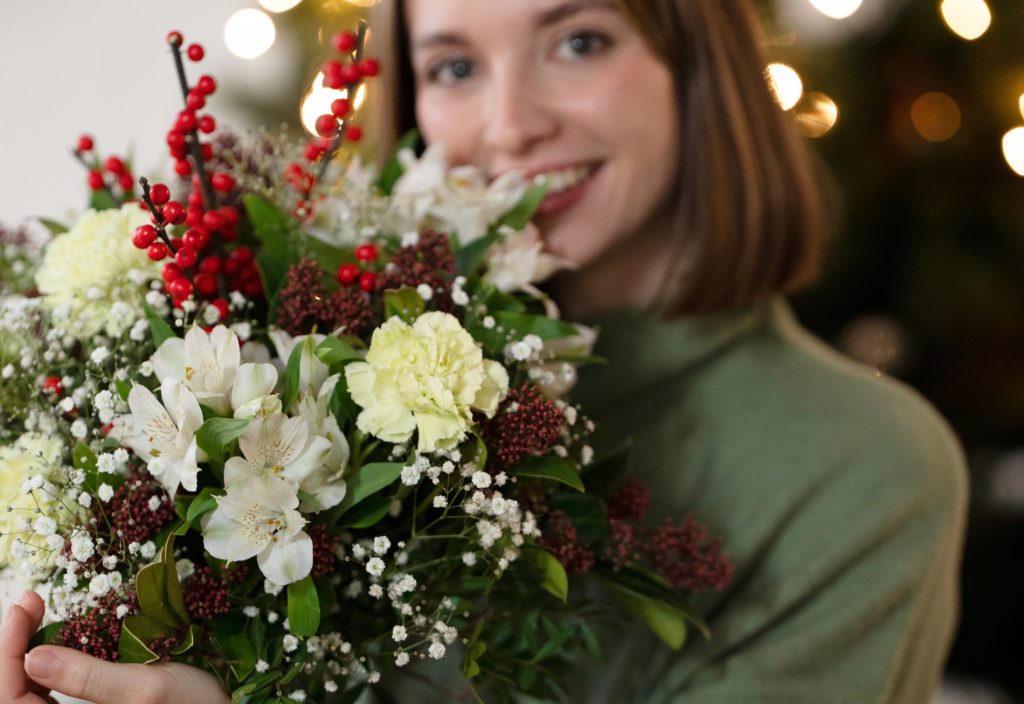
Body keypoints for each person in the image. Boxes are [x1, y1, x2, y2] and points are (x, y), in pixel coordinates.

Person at [0, 1, 966, 702]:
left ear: (695, 61)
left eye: (578, 41)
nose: (510, 127)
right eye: (456, 66)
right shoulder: (309, 369)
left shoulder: (867, 465)